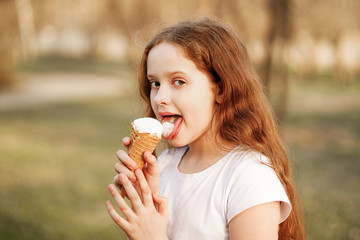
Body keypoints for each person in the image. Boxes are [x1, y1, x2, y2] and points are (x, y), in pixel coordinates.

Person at [106, 17, 306, 240]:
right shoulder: (165, 165)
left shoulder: (249, 177)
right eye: (155, 83)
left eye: (179, 81)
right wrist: (146, 202)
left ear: (221, 89)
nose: (160, 98)